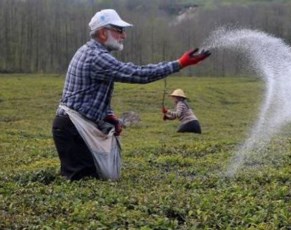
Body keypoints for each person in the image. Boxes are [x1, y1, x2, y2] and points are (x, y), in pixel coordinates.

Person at [52, 9, 210, 181]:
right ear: (103, 33)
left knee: (92, 180)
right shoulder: (96, 57)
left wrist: (108, 116)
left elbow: (87, 95)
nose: (124, 35)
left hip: (73, 126)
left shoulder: (92, 52)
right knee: (83, 182)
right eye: (119, 30)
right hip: (73, 129)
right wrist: (179, 64)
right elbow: (137, 74)